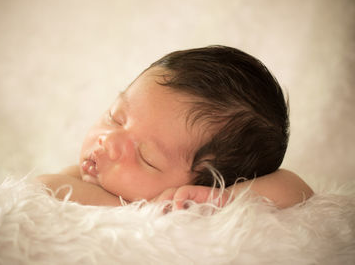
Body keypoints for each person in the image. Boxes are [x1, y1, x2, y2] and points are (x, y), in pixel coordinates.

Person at [36, 46, 313, 210]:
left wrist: (222, 198)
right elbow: (45, 186)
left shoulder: (197, 205)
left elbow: (297, 188)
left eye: (146, 157)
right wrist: (140, 210)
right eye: (116, 117)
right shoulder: (75, 181)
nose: (108, 140)